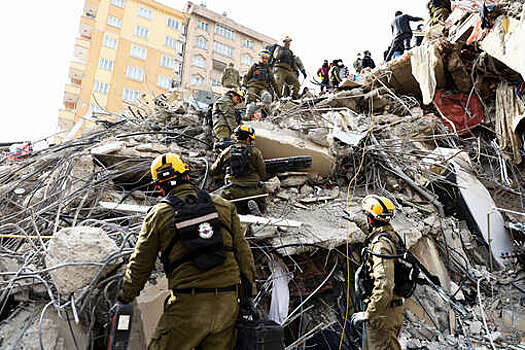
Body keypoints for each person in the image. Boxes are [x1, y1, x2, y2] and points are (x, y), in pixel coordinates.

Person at [116, 153, 257, 350]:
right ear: (187, 175)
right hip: (227, 305)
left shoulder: (158, 215)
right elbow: (245, 257)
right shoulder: (225, 207)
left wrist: (124, 297)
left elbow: (141, 264)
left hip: (188, 307)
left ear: (159, 186)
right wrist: (248, 297)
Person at [349, 195, 404, 350]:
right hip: (389, 311)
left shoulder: (380, 246)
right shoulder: (391, 236)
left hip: (382, 315)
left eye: (367, 216)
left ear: (371, 219)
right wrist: (356, 220)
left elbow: (385, 284)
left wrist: (370, 314)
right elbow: (374, 232)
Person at [211, 125, 268, 215]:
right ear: (248, 139)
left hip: (233, 191)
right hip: (255, 190)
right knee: (263, 193)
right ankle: (259, 210)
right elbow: (263, 173)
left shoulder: (227, 151)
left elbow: (213, 170)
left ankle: (236, 211)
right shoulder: (256, 152)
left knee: (222, 201)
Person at [243, 50, 281, 119]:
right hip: (252, 86)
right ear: (260, 58)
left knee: (267, 97)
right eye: (263, 58)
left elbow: (274, 83)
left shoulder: (268, 70)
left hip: (263, 88)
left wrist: (279, 95)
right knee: (250, 96)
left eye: (266, 59)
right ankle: (248, 115)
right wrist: (244, 86)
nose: (264, 60)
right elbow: (246, 77)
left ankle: (266, 115)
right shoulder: (254, 66)